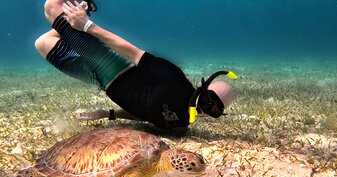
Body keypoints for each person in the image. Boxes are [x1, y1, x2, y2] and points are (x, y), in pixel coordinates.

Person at [35, 0, 237, 129]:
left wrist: (109, 114)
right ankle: (83, 9)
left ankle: (78, 14)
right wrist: (87, 26)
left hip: (99, 81)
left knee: (42, 44)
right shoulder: (174, 78)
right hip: (111, 65)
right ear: (204, 87)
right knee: (52, 6)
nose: (205, 109)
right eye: (208, 100)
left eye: (214, 111)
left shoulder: (182, 122)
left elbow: (145, 115)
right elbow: (132, 52)